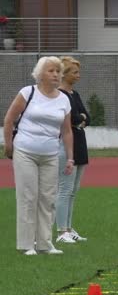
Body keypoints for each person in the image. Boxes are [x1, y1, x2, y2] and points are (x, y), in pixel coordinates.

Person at [3, 56, 74, 255]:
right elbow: (9, 119)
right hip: (25, 151)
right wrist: (8, 145)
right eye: (51, 71)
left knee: (47, 198)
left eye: (58, 71)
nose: (56, 75)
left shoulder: (64, 99)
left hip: (51, 154)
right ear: (40, 73)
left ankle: (44, 243)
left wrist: (70, 157)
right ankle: (26, 244)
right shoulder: (28, 93)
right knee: (28, 196)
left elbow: (67, 131)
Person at [55, 56, 90, 243]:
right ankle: (61, 231)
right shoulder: (60, 95)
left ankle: (69, 228)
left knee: (73, 191)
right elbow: (74, 119)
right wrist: (80, 119)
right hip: (66, 146)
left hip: (80, 144)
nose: (78, 75)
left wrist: (81, 118)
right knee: (64, 189)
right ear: (65, 74)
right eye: (75, 72)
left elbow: (86, 117)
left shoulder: (74, 94)